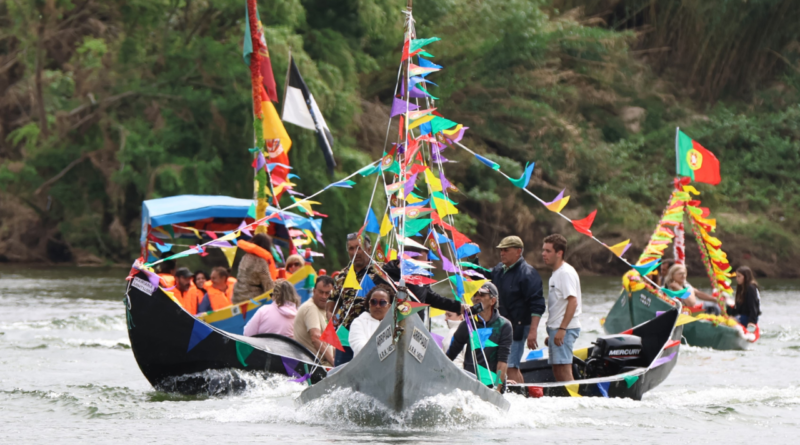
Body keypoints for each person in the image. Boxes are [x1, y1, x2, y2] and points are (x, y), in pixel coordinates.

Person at [327, 232, 463, 366]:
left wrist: (459, 307)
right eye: (351, 248)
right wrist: (331, 317)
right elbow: (332, 302)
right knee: (342, 372)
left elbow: (429, 297)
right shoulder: (342, 276)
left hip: (380, 333)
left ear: (369, 249)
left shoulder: (382, 271)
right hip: (346, 334)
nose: (355, 252)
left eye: (359, 248)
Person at [484, 235, 544, 384]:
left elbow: (537, 304)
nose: (502, 253)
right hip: (502, 326)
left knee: (510, 367)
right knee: (507, 366)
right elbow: (482, 276)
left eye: (506, 250)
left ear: (518, 251)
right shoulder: (499, 269)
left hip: (519, 326)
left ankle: (519, 394)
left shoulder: (528, 274)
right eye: (501, 250)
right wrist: (472, 261)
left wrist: (533, 331)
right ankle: (522, 391)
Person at [446, 283, 513, 391]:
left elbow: (502, 361)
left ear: (492, 301)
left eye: (482, 295)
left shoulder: (504, 326)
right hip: (470, 386)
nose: (476, 297)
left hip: (493, 386)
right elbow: (449, 357)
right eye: (475, 295)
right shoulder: (466, 325)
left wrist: (496, 389)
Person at [541, 234, 581, 382]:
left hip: (565, 329)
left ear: (559, 253)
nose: (543, 254)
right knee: (557, 369)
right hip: (557, 329)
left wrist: (562, 329)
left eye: (548, 251)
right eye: (543, 250)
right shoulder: (556, 273)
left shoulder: (565, 273)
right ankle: (565, 395)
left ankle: (573, 396)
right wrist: (553, 333)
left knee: (564, 370)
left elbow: (573, 302)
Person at [293, 276, 336, 366]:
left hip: (320, 364)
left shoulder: (324, 310)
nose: (324, 296)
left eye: (327, 293)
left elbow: (330, 345)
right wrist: (334, 363)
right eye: (321, 292)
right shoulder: (310, 308)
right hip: (313, 366)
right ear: (314, 291)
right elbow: (316, 338)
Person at [349, 284, 396, 356]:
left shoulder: (396, 324)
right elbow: (359, 347)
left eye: (382, 302)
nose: (377, 306)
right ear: (369, 303)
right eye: (374, 302)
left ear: (389, 306)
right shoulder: (358, 322)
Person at [232, 233, 276, 304]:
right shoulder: (261, 262)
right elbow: (268, 285)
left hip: (237, 296)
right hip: (252, 299)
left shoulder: (245, 257)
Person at [727, 266, 761, 330]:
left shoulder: (751, 288)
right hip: (742, 315)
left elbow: (753, 306)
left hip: (748, 317)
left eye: (739, 276)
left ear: (746, 276)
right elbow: (739, 307)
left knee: (727, 322)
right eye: (736, 276)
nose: (737, 279)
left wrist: (751, 321)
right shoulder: (741, 288)